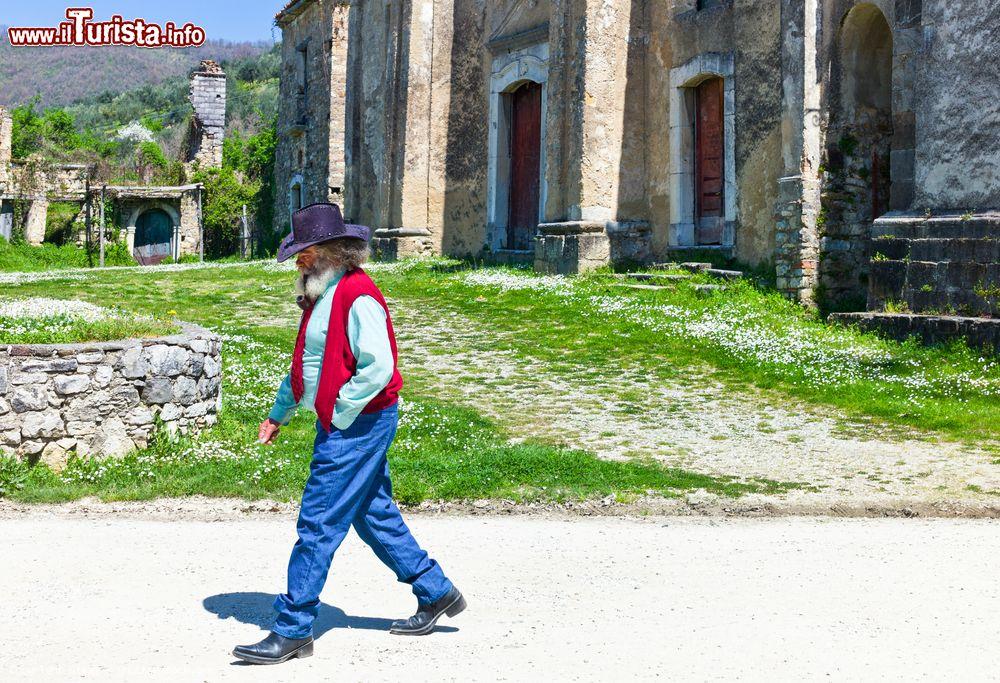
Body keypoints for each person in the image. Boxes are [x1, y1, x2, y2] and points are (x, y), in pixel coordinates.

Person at [233, 203, 465, 665]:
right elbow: (309, 363)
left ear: (332, 252)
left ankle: (294, 627)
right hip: (347, 422)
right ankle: (436, 590)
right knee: (372, 512)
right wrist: (280, 413)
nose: (298, 260)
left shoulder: (357, 296)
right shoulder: (323, 294)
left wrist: (339, 411)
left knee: (319, 521)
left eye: (305, 251)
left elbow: (379, 367)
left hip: (358, 424)